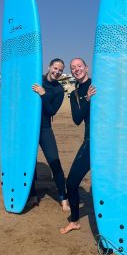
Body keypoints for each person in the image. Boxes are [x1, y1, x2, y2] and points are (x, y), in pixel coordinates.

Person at [60, 58, 96, 234]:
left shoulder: (99, 83)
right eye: (73, 68)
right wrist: (88, 100)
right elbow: (76, 119)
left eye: (79, 66)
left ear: (86, 68)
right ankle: (74, 221)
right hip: (91, 141)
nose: (76, 69)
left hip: (109, 143)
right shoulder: (74, 94)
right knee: (72, 183)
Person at [28, 58, 69, 212]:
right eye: (55, 68)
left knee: (54, 161)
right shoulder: (37, 80)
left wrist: (43, 94)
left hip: (44, 128)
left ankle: (63, 197)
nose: (57, 72)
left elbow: (52, 111)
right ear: (49, 67)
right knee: (30, 163)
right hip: (29, 128)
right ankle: (32, 195)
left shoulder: (59, 90)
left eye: (60, 70)